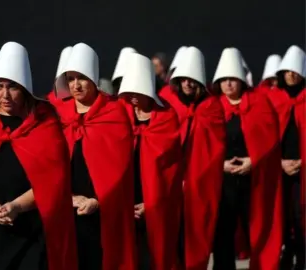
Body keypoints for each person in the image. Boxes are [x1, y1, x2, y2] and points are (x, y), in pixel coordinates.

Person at [0, 42, 78, 270]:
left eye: (13, 87)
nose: (5, 95)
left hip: (31, 232)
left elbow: (53, 182)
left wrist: (17, 207)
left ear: (25, 89)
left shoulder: (46, 126)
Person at [53, 43, 136, 270]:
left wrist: (97, 200)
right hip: (66, 206)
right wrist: (67, 196)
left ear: (94, 80)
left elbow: (120, 167)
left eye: (82, 78)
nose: (76, 85)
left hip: (104, 207)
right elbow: (50, 163)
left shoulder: (114, 112)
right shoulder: (60, 114)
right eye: (71, 79)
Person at [211, 48, 282, 270]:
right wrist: (220, 164)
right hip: (223, 181)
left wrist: (254, 160)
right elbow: (206, 144)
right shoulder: (212, 107)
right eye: (224, 80)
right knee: (223, 231)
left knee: (257, 227)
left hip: (253, 179)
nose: (229, 84)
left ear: (242, 81)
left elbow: (270, 139)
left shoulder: (260, 104)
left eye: (233, 79)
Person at [160, 46, 226, 270]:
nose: (187, 83)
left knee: (196, 232)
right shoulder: (168, 104)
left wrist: (194, 178)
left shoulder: (212, 107)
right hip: (169, 182)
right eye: (183, 79)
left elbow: (214, 150)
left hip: (199, 184)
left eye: (192, 80)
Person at [118, 52, 182, 270]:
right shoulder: (120, 115)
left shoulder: (166, 117)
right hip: (124, 199)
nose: (133, 96)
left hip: (154, 201)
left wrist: (151, 203)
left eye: (138, 90)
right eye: (130, 91)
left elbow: (170, 171)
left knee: (153, 257)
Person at [266, 45, 305, 270]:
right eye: (287, 71)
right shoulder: (273, 99)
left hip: (302, 166)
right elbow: (264, 136)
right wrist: (278, 162)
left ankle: (300, 256)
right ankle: (285, 253)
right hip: (278, 167)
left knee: (300, 216)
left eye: (295, 71)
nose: (291, 75)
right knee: (281, 215)